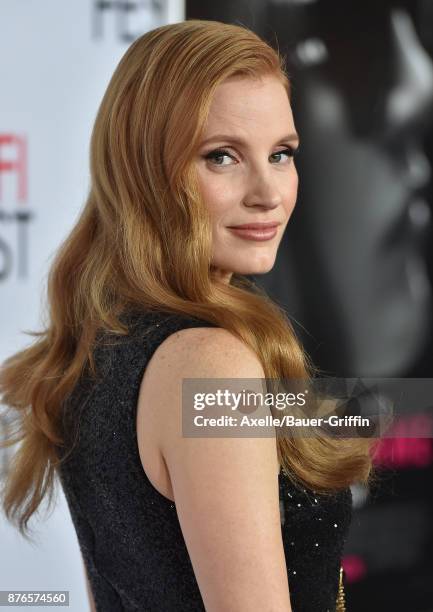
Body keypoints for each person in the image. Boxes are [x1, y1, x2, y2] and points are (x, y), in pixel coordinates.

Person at [0, 19, 376, 611]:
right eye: (221, 156)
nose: (268, 192)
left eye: (281, 154)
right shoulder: (211, 365)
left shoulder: (98, 350)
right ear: (145, 171)